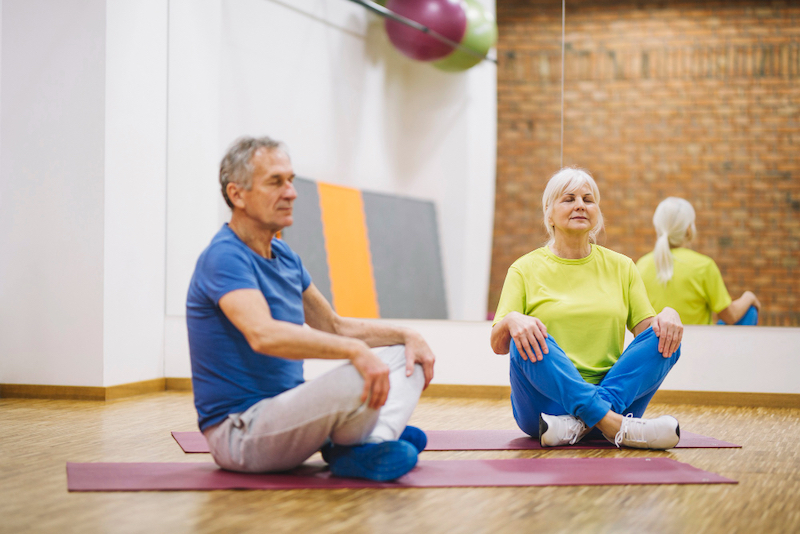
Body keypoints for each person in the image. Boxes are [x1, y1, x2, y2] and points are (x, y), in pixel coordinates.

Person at [186, 136, 435, 481]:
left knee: (405, 355)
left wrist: (407, 334)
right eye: (275, 182)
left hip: (286, 418)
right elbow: (263, 335)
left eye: (290, 180)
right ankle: (361, 439)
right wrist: (355, 352)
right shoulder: (224, 257)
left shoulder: (285, 256)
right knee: (360, 369)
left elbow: (334, 326)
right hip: (242, 434)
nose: (291, 192)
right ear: (237, 194)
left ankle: (367, 443)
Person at [490, 168, 684, 450]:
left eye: (588, 199)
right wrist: (511, 320)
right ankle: (612, 425)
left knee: (668, 339)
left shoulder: (622, 267)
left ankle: (584, 423)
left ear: (597, 212)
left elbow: (649, 337)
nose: (580, 204)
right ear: (549, 213)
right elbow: (498, 345)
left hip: (609, 401)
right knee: (526, 338)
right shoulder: (524, 269)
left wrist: (670, 315)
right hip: (544, 410)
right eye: (568, 199)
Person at [636, 197, 761, 325]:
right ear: (689, 230)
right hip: (700, 343)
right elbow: (731, 316)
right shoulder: (704, 266)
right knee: (750, 312)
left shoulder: (640, 265)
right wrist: (749, 296)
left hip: (655, 343)